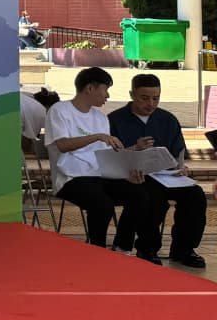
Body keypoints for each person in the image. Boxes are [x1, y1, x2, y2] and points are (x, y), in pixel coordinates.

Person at [46, 67, 154, 250]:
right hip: (70, 178)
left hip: (99, 176)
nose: (107, 95)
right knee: (102, 204)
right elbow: (63, 145)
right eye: (105, 89)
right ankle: (97, 251)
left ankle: (122, 247)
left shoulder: (100, 118)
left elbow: (106, 156)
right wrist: (97, 136)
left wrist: (132, 155)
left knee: (140, 196)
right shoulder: (60, 110)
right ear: (90, 88)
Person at [107, 74, 207, 267]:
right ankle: (147, 248)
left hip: (167, 175)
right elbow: (110, 157)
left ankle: (184, 249)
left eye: (156, 98)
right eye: (144, 98)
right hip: (135, 178)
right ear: (132, 95)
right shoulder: (115, 120)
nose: (151, 104)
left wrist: (181, 168)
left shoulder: (168, 119)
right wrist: (134, 149)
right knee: (153, 198)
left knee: (195, 195)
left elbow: (178, 153)